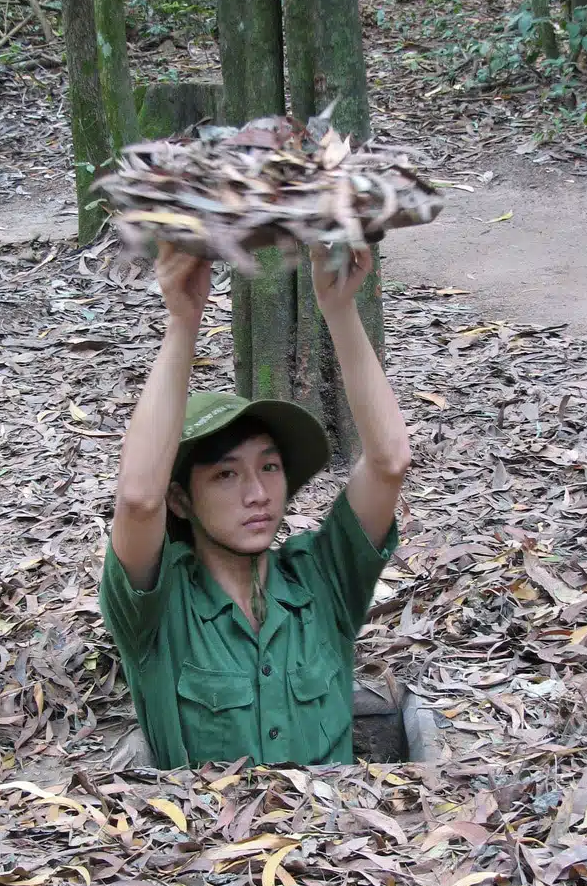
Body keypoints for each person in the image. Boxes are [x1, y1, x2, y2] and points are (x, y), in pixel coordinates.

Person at [99, 241, 411, 769]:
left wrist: (338, 308)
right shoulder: (158, 611)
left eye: (269, 467)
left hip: (341, 843)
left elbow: (389, 462)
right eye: (226, 474)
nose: (257, 493)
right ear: (179, 498)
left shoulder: (322, 579)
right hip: (208, 850)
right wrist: (183, 321)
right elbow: (135, 497)